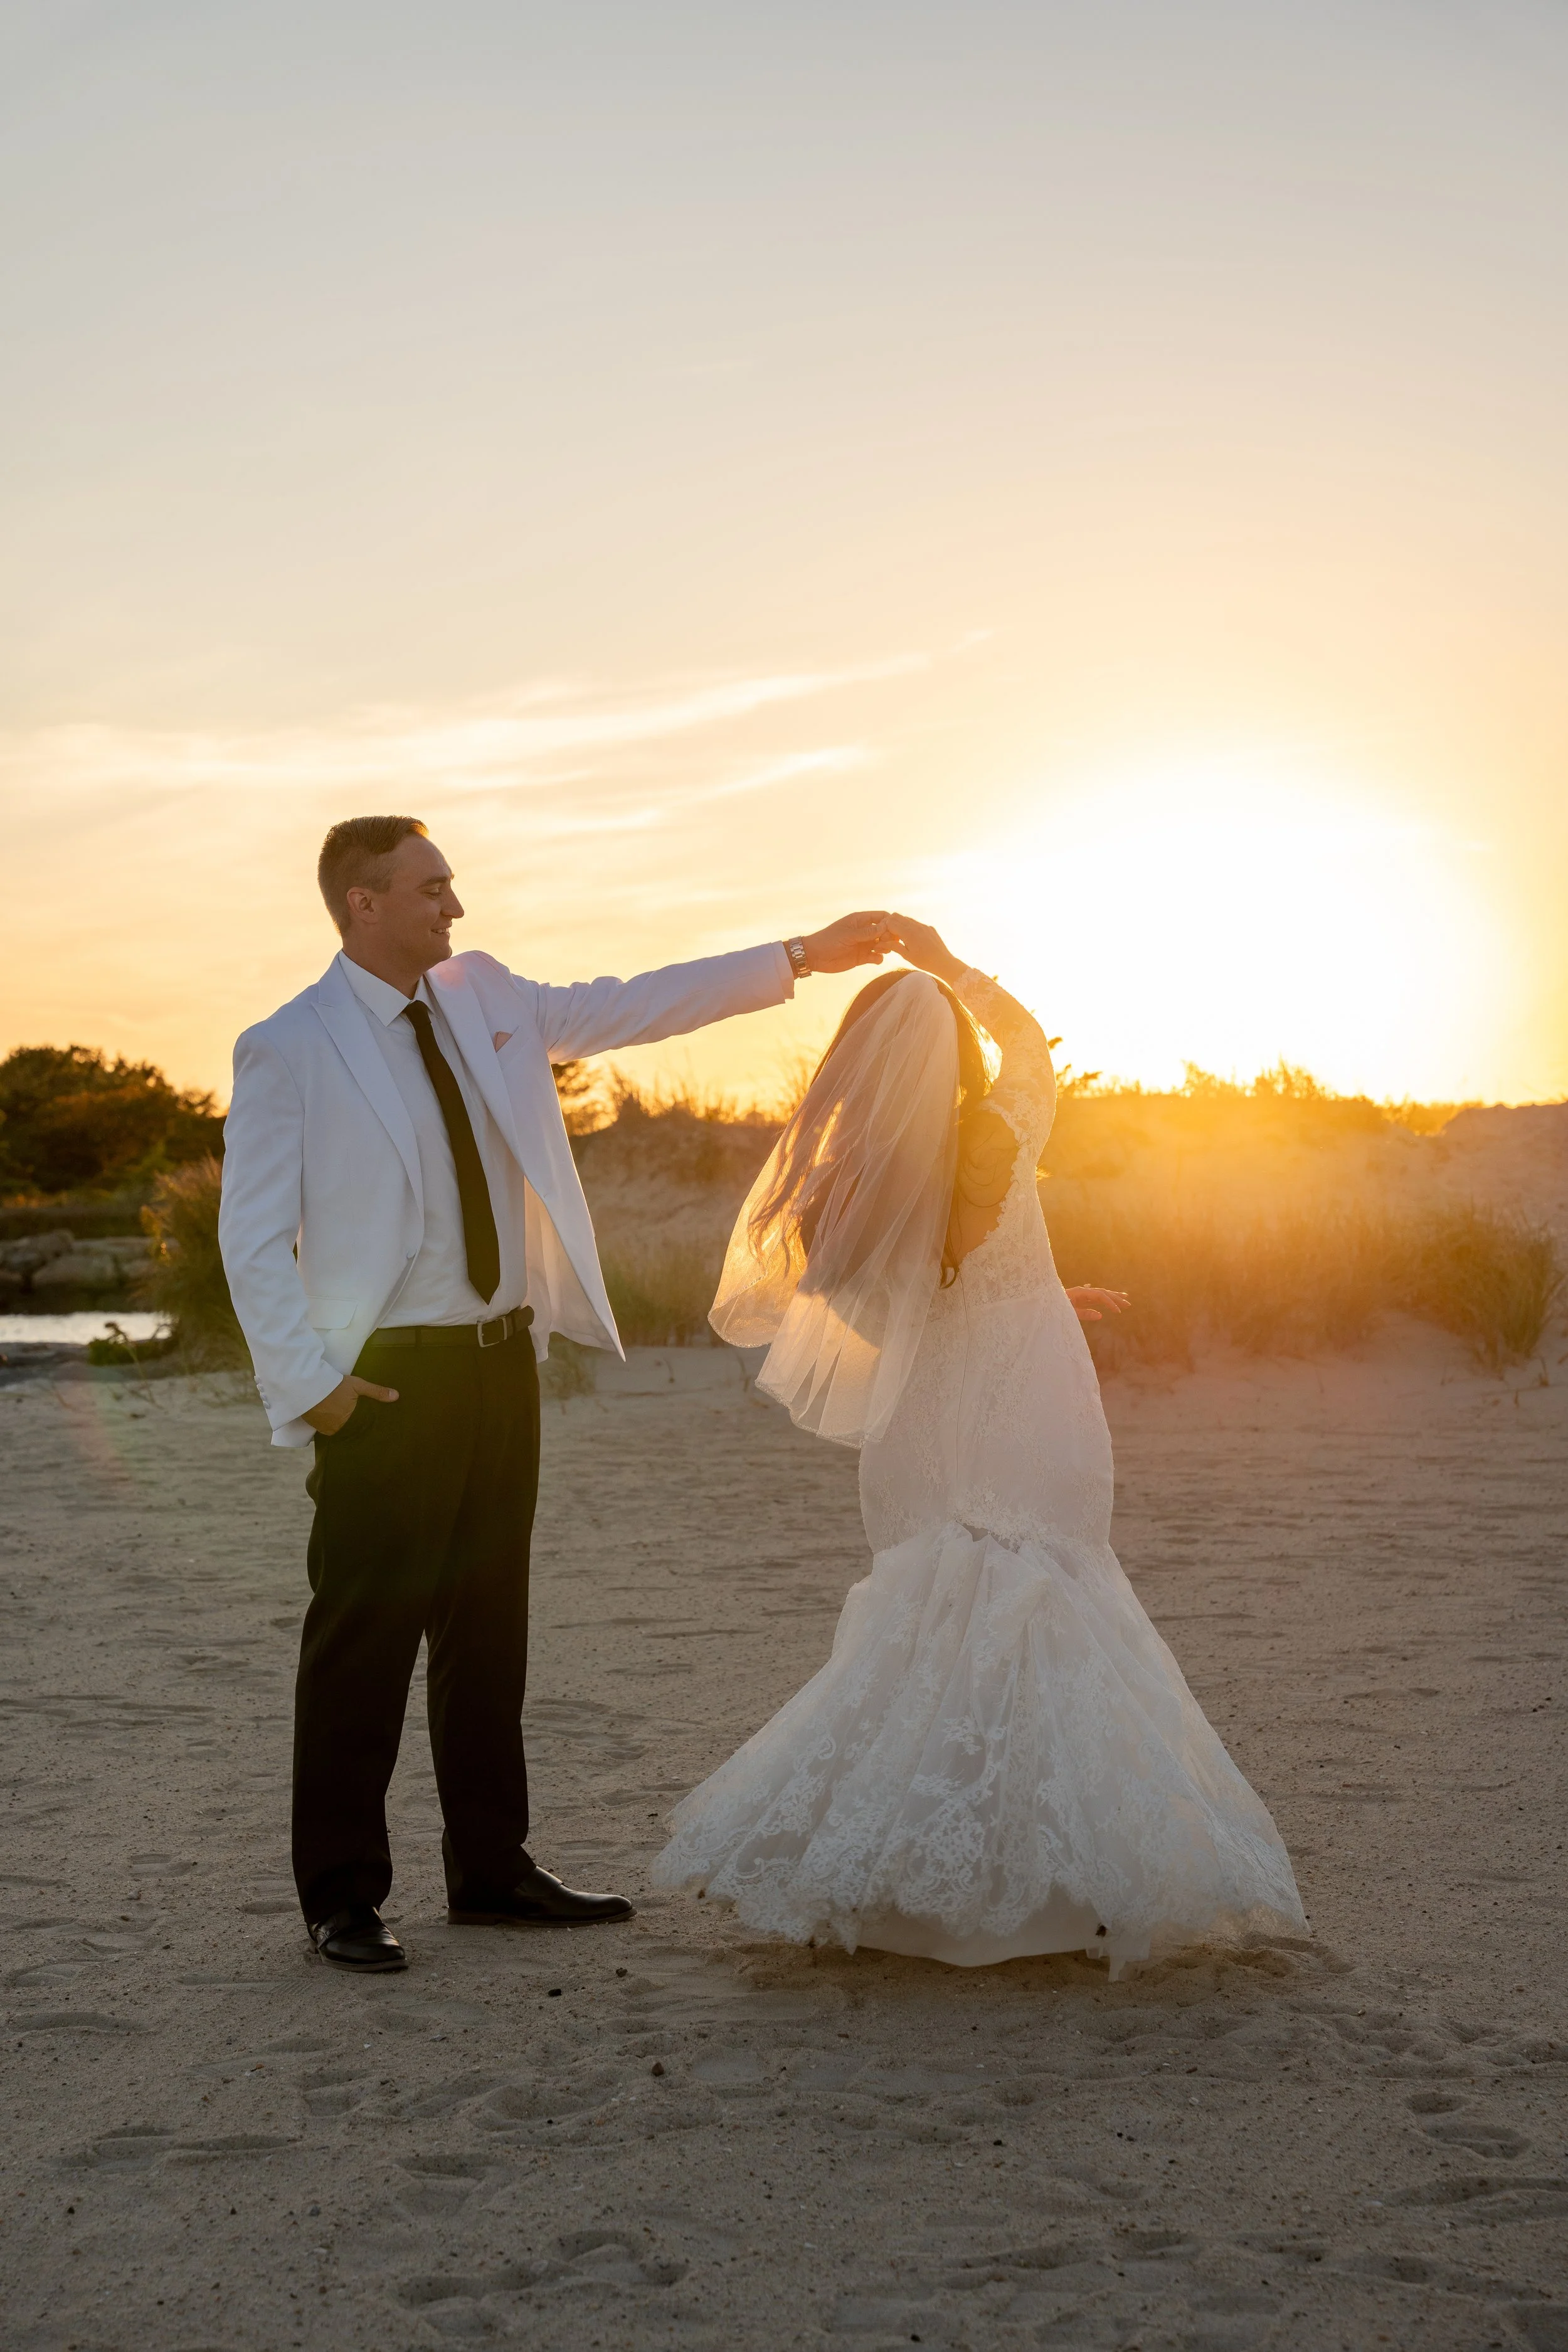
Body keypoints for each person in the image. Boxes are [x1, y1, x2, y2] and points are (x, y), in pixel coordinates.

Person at [218, 812, 896, 1972]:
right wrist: (317, 1390)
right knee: (362, 1642)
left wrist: (798, 954)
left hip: (500, 1364)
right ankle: (340, 1893)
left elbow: (637, 1000)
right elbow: (250, 1238)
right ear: (361, 904)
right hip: (386, 1379)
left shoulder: (490, 994)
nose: (455, 908)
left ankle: (491, 1870)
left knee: (490, 1634)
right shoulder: (289, 1044)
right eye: (432, 889)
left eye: (453, 886)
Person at [654, 919, 1306, 1974]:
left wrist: (1041, 1291)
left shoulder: (843, 1191)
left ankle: (917, 1887)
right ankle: (1050, 1891)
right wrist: (950, 965)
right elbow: (1036, 1044)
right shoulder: (999, 1132)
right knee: (1047, 1600)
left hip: (925, 1424)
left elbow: (884, 1318)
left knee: (933, 1619)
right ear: (953, 1056)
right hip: (1029, 1406)